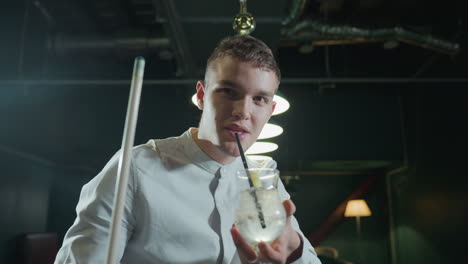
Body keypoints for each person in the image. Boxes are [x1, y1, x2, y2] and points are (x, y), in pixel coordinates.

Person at [54, 34, 321, 264]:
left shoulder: (265, 180)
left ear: (271, 110)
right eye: (228, 92)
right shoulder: (135, 168)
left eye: (259, 99)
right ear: (202, 96)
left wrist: (295, 249)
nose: (243, 112)